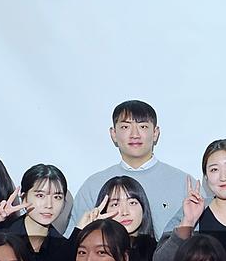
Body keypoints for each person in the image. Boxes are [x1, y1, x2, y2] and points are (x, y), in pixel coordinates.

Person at [67, 100, 192, 238]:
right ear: (114, 133)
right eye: (125, 127)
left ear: (155, 133)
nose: (135, 134)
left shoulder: (184, 183)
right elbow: (74, 240)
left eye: (143, 126)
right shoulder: (94, 185)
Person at [153, 139, 226, 261]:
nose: (223, 177)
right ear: (206, 177)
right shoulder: (192, 209)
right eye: (214, 170)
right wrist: (188, 222)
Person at [79, 176, 163, 261]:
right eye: (115, 204)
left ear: (143, 207)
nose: (125, 212)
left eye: (132, 203)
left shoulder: (158, 253)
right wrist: (85, 231)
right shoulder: (90, 255)